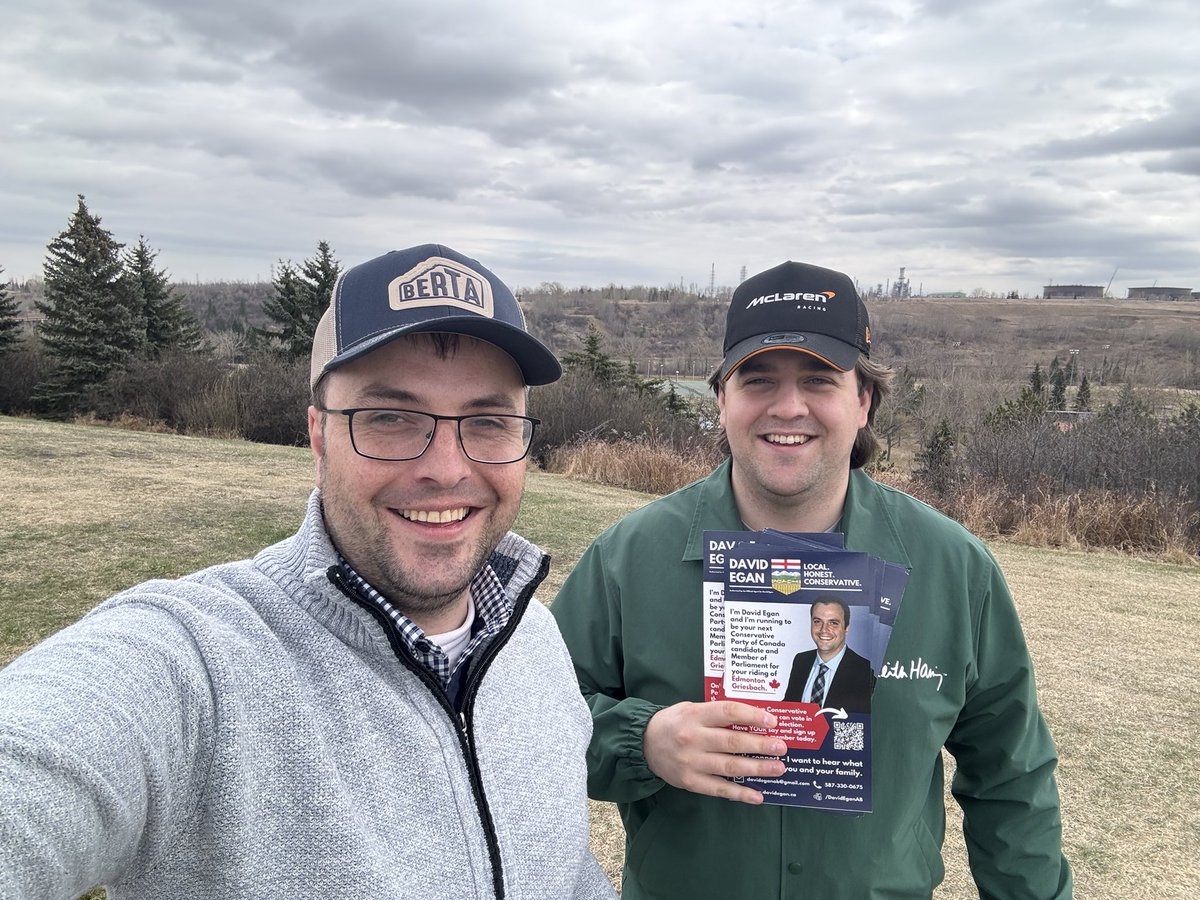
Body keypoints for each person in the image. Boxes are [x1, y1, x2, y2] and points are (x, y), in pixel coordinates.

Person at [0, 244, 615, 900]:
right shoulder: (196, 666)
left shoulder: (538, 643)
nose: (446, 468)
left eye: (487, 422)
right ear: (319, 436)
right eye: (390, 418)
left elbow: (567, 872)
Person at [552, 260, 1072, 899]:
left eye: (820, 381)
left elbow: (1010, 777)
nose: (788, 406)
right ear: (722, 400)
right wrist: (642, 742)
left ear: (863, 401)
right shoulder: (626, 560)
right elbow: (526, 720)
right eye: (758, 379)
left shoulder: (954, 567)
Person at [782, 596, 874, 714]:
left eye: (833, 623)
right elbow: (788, 707)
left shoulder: (865, 671)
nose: (824, 630)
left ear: (846, 628)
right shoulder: (800, 661)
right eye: (817, 621)